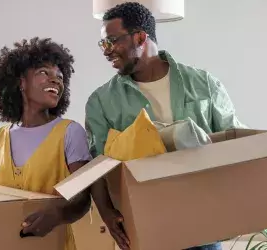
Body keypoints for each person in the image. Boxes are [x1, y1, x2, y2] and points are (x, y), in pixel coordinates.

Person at [85, 3, 246, 250]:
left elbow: (236, 142)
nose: (106, 51)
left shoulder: (204, 84)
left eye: (112, 41)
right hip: (145, 226)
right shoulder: (101, 102)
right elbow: (97, 164)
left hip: (204, 226)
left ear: (139, 37)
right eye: (103, 44)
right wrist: (106, 211)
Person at [0, 37, 93, 250]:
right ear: (21, 82)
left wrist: (58, 214)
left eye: (59, 76)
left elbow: (84, 197)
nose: (55, 80)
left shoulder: (70, 132)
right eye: (43, 73)